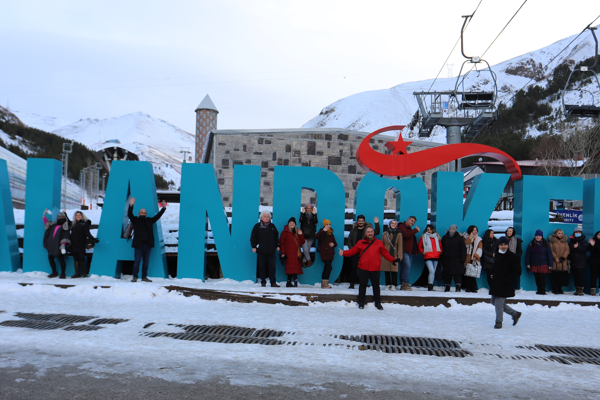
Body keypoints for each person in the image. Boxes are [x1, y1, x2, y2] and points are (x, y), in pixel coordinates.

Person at [339, 227, 398, 310]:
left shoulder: (379, 243)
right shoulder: (360, 243)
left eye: (371, 232)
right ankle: (361, 302)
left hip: (375, 269)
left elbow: (385, 254)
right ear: (365, 233)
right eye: (368, 232)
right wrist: (343, 253)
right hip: (363, 268)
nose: (370, 233)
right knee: (362, 286)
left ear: (373, 233)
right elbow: (353, 251)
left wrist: (393, 260)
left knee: (376, 286)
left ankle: (378, 303)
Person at [127, 197, 167, 283]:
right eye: (141, 213)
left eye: (144, 213)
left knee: (146, 262)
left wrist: (163, 208)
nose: (143, 214)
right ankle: (135, 277)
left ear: (146, 214)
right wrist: (131, 205)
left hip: (148, 245)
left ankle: (144, 277)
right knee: (137, 261)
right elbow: (129, 214)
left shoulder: (150, 220)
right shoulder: (135, 220)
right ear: (138, 213)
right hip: (138, 245)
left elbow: (158, 216)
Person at [489, 236, 522, 329]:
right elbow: (495, 266)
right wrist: (492, 273)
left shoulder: (513, 256)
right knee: (493, 302)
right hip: (496, 282)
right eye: (501, 244)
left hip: (505, 283)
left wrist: (507, 279)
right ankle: (514, 313)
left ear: (508, 245)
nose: (503, 246)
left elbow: (518, 271)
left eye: (505, 244)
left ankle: (499, 322)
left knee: (499, 303)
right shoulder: (497, 254)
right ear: (498, 245)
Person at [347, 215, 380, 289]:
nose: (361, 222)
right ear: (357, 221)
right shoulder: (354, 229)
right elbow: (349, 240)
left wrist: (376, 223)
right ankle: (352, 283)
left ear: (364, 221)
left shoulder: (367, 230)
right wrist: (352, 249)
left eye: (362, 221)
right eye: (359, 221)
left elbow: (377, 232)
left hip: (365, 252)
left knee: (365, 268)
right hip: (355, 251)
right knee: (353, 268)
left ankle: (365, 283)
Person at [250, 211, 281, 287]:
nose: (267, 218)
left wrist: (277, 245)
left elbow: (276, 237)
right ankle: (263, 282)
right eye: (265, 217)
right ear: (261, 218)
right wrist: (254, 246)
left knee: (272, 267)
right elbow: (253, 237)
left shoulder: (272, 226)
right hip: (261, 250)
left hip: (271, 250)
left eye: (268, 217)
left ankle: (273, 282)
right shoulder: (257, 226)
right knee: (262, 266)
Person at [67, 211, 98, 278]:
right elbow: (68, 221)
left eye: (79, 215)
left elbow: (87, 232)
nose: (78, 216)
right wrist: (65, 214)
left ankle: (84, 273)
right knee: (76, 259)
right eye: (77, 215)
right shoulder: (74, 223)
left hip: (81, 243)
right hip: (73, 243)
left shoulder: (85, 223)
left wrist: (92, 239)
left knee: (81, 258)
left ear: (82, 216)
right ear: (75, 217)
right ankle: (77, 273)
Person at [42, 209, 71, 279]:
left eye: (62, 217)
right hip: (52, 245)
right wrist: (44, 214)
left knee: (61, 259)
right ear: (57, 218)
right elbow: (46, 222)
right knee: (50, 258)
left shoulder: (65, 227)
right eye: (59, 217)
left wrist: (63, 245)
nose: (60, 218)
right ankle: (54, 272)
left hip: (60, 246)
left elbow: (66, 236)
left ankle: (63, 273)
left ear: (64, 218)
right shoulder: (53, 225)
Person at [525, 229, 553, 295]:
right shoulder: (531, 244)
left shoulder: (546, 244)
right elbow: (528, 254)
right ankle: (539, 290)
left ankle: (543, 290)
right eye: (537, 236)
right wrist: (528, 264)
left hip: (544, 264)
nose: (538, 237)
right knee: (537, 278)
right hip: (534, 264)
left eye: (539, 236)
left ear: (542, 237)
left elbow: (549, 255)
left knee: (543, 278)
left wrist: (550, 265)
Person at [441, 224, 467, 292]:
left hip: (457, 259)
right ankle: (447, 287)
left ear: (455, 230)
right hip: (446, 259)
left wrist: (463, 259)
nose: (451, 230)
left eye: (453, 229)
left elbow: (463, 249)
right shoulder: (445, 237)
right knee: (447, 273)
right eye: (450, 229)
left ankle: (458, 287)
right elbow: (442, 247)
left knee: (457, 274)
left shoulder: (459, 238)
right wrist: (442, 257)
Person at [280, 217, 305, 288]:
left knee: (292, 268)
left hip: (296, 253)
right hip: (288, 253)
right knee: (292, 268)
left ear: (295, 224)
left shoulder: (297, 232)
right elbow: (282, 243)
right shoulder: (284, 232)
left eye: (293, 223)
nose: (292, 224)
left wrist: (301, 234)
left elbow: (302, 242)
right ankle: (295, 281)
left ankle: (289, 282)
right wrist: (283, 253)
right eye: (290, 223)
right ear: (288, 224)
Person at [397, 216, 420, 291]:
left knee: (406, 267)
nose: (412, 223)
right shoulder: (402, 226)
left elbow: (412, 240)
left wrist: (415, 250)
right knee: (406, 267)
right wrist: (415, 230)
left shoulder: (410, 229)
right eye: (411, 221)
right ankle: (405, 284)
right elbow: (405, 235)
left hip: (410, 252)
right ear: (407, 220)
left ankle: (404, 283)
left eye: (414, 222)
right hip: (404, 251)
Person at [314, 219, 337, 289]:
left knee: (327, 267)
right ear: (324, 225)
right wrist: (324, 230)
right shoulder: (322, 232)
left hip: (330, 253)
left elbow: (335, 243)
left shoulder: (331, 234)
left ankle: (324, 284)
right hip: (324, 252)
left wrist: (333, 244)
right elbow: (316, 236)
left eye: (329, 224)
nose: (328, 226)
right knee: (329, 267)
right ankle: (324, 284)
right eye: (327, 224)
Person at [418, 224, 442, 291]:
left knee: (433, 271)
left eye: (430, 229)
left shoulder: (437, 237)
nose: (429, 231)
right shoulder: (423, 237)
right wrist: (422, 252)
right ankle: (430, 286)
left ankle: (431, 286)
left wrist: (440, 252)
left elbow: (440, 246)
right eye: (427, 229)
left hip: (436, 256)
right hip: (428, 256)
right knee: (431, 271)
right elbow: (419, 246)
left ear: (433, 230)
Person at [381, 220, 403, 291]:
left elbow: (400, 245)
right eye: (392, 223)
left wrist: (400, 256)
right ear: (389, 224)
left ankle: (394, 284)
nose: (393, 224)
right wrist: (381, 255)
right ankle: (388, 284)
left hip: (395, 254)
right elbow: (382, 244)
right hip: (386, 254)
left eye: (395, 223)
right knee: (386, 270)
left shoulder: (399, 234)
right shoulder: (385, 233)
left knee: (394, 270)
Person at [548, 228, 570, 295]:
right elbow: (550, 250)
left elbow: (567, 250)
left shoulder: (565, 241)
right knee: (555, 275)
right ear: (555, 234)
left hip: (563, 261)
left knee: (561, 275)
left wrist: (563, 257)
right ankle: (554, 289)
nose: (561, 235)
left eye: (561, 233)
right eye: (559, 233)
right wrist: (555, 257)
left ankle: (560, 289)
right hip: (555, 261)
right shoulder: (552, 241)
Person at [569, 227, 589, 296]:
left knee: (580, 276)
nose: (578, 234)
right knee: (575, 276)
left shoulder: (584, 241)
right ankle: (577, 289)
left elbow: (584, 250)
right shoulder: (572, 241)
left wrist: (578, 247)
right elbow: (570, 251)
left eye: (579, 232)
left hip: (581, 262)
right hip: (573, 261)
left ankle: (581, 289)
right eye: (576, 232)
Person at [463, 225, 483, 293]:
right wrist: (470, 238)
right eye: (474, 230)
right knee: (467, 273)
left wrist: (476, 255)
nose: (475, 231)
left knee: (473, 273)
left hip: (474, 258)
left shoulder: (479, 239)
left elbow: (480, 248)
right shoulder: (465, 237)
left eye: (476, 230)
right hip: (467, 257)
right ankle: (468, 287)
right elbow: (465, 245)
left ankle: (473, 287)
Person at [588, 231, 600, 296]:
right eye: (599, 235)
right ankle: (593, 291)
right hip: (593, 262)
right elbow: (589, 250)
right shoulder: (592, 241)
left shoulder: (594, 243)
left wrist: (595, 245)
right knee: (593, 276)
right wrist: (592, 246)